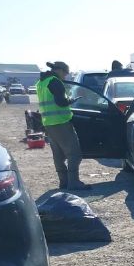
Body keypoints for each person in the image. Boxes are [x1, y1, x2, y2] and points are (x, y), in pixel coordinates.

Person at [36, 61, 90, 190]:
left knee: (58, 155)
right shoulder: (55, 81)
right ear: (59, 70)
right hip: (61, 122)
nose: (65, 76)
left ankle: (64, 182)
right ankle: (74, 182)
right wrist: (71, 100)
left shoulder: (41, 83)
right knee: (74, 154)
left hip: (48, 123)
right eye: (65, 73)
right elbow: (61, 102)